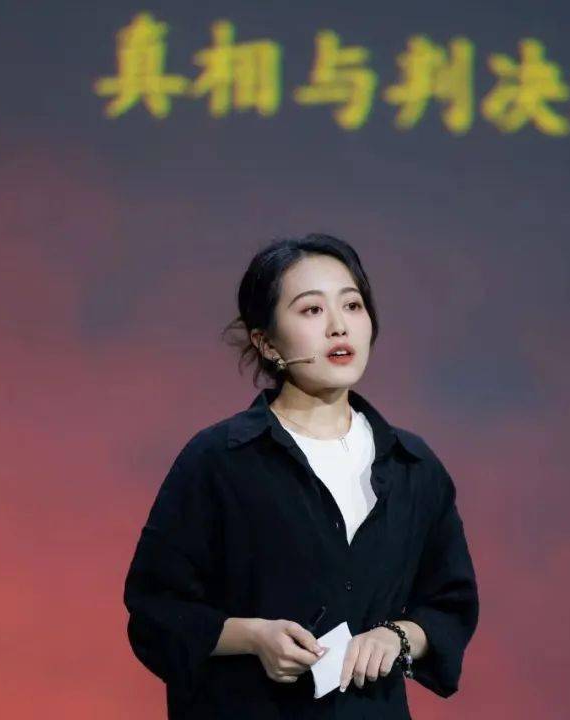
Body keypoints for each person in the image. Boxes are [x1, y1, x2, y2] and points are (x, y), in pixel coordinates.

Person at [123, 233, 479, 719]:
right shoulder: (219, 460)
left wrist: (396, 637)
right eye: (312, 310)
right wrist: (253, 637)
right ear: (266, 342)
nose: (339, 326)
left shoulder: (413, 466)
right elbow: (156, 607)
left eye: (352, 305)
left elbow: (449, 603)